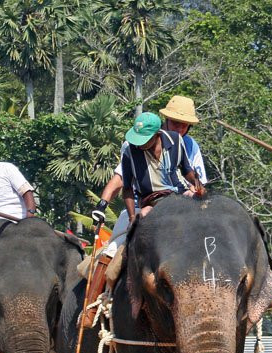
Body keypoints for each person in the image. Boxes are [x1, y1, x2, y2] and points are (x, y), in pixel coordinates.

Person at [80, 110, 206, 326]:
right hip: (145, 203)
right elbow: (126, 187)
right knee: (111, 250)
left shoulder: (180, 142)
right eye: (176, 123)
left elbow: (188, 170)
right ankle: (91, 306)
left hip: (178, 200)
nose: (139, 144)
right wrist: (132, 216)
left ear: (157, 134)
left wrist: (197, 187)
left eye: (184, 124)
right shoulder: (130, 150)